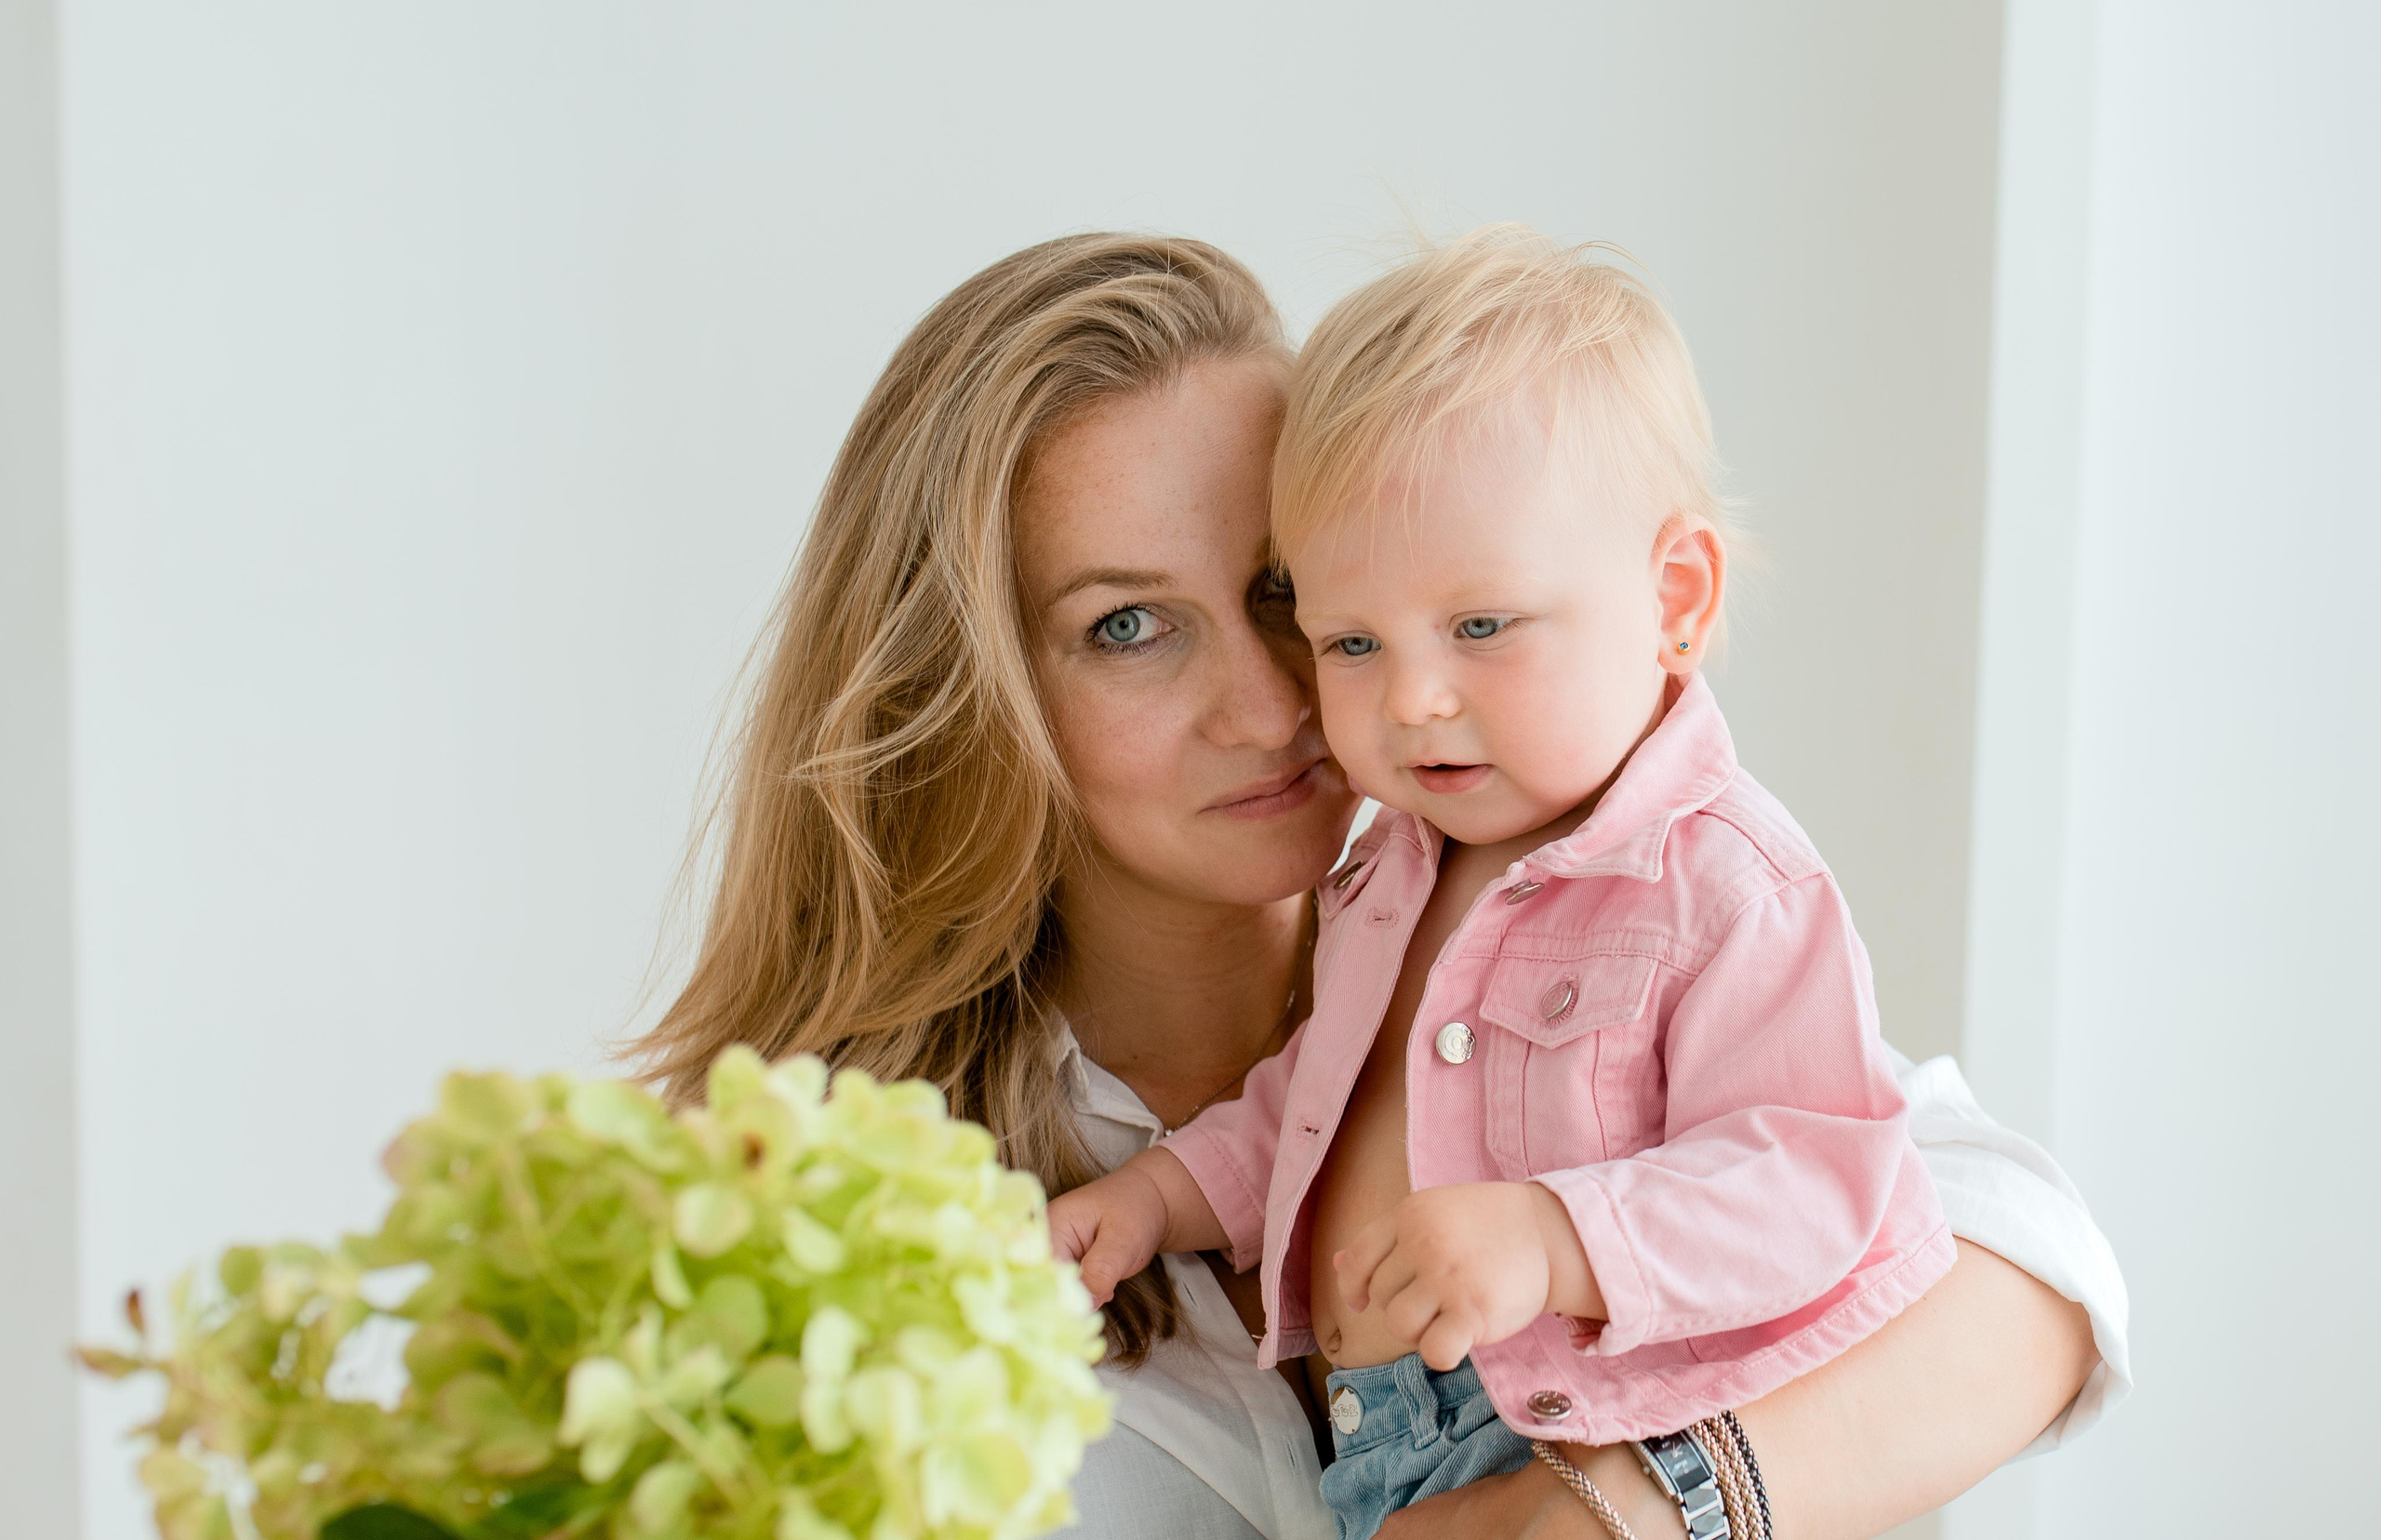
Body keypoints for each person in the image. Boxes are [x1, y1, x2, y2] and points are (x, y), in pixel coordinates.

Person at [630, 232, 2129, 1540]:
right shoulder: (816, 1213)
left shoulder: (1611, 925)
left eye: (1283, 593)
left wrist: (1633, 1506)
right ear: (974, 687)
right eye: (1132, 625)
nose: (1274, 703)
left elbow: (2034, 1260)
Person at [1047, 228, 1955, 1539]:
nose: (1411, 699)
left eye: (1481, 625)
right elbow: (1314, 1108)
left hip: (1579, 1439)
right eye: (1353, 640)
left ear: (1675, 597)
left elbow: (1818, 1180)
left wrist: (1560, 1236)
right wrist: (1161, 1197)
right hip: (1377, 1451)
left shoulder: (1717, 881)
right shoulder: (1393, 875)